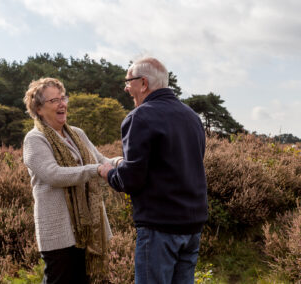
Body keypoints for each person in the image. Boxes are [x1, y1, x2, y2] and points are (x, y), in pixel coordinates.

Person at [99, 57, 208, 284]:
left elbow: (131, 181)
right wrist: (123, 164)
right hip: (192, 224)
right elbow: (175, 165)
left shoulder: (140, 116)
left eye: (128, 82)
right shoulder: (192, 117)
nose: (126, 87)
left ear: (144, 83)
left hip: (160, 226)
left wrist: (108, 172)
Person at [22, 77, 121, 284]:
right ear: (39, 109)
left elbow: (101, 160)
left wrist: (121, 162)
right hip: (59, 232)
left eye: (63, 98)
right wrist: (96, 170)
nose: (62, 104)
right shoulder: (34, 139)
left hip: (87, 229)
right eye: (54, 101)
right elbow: (53, 174)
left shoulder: (77, 133)